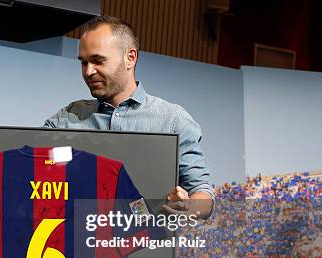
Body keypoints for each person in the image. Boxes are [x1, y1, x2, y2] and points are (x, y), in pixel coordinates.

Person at [44, 16, 213, 218]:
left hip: (146, 244)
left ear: (130, 58)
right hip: (76, 242)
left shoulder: (173, 120)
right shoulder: (67, 117)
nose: (89, 71)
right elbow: (34, 165)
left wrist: (190, 207)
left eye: (98, 61)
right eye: (84, 63)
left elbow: (204, 195)